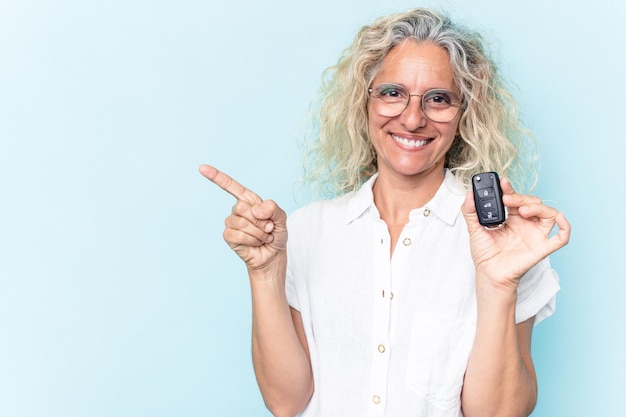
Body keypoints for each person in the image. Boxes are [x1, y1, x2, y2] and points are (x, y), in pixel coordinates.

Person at [200, 7, 570, 417]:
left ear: (465, 114)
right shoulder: (307, 231)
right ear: (365, 101)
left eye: (439, 99)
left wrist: (499, 288)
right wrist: (265, 274)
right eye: (392, 93)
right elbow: (287, 402)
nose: (412, 119)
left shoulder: (506, 243)